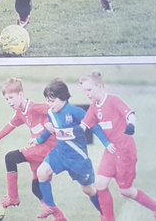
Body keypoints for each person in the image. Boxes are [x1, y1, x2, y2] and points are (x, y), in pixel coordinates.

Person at [79, 71, 156, 219]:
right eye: (85, 91)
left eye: (89, 89)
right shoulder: (94, 106)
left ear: (99, 86)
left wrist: (131, 126)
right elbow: (83, 126)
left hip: (125, 151)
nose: (87, 94)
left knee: (126, 191)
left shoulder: (113, 100)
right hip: (111, 151)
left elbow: (130, 115)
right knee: (100, 184)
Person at [36, 79, 107, 221]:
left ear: (63, 97)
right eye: (47, 101)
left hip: (78, 159)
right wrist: (38, 140)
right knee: (42, 172)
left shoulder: (76, 112)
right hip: (60, 154)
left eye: (52, 100)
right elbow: (50, 130)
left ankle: (105, 213)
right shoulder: (51, 112)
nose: (49, 104)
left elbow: (94, 126)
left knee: (88, 190)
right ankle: (51, 208)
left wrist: (106, 143)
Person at [0, 78, 55, 216]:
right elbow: (10, 126)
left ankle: (13, 198)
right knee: (36, 187)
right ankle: (49, 209)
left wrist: (57, 126)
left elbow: (55, 109)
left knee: (10, 157)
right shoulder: (21, 113)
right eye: (6, 99)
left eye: (11, 97)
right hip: (38, 150)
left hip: (47, 148)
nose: (9, 102)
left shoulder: (35, 108)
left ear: (20, 94)